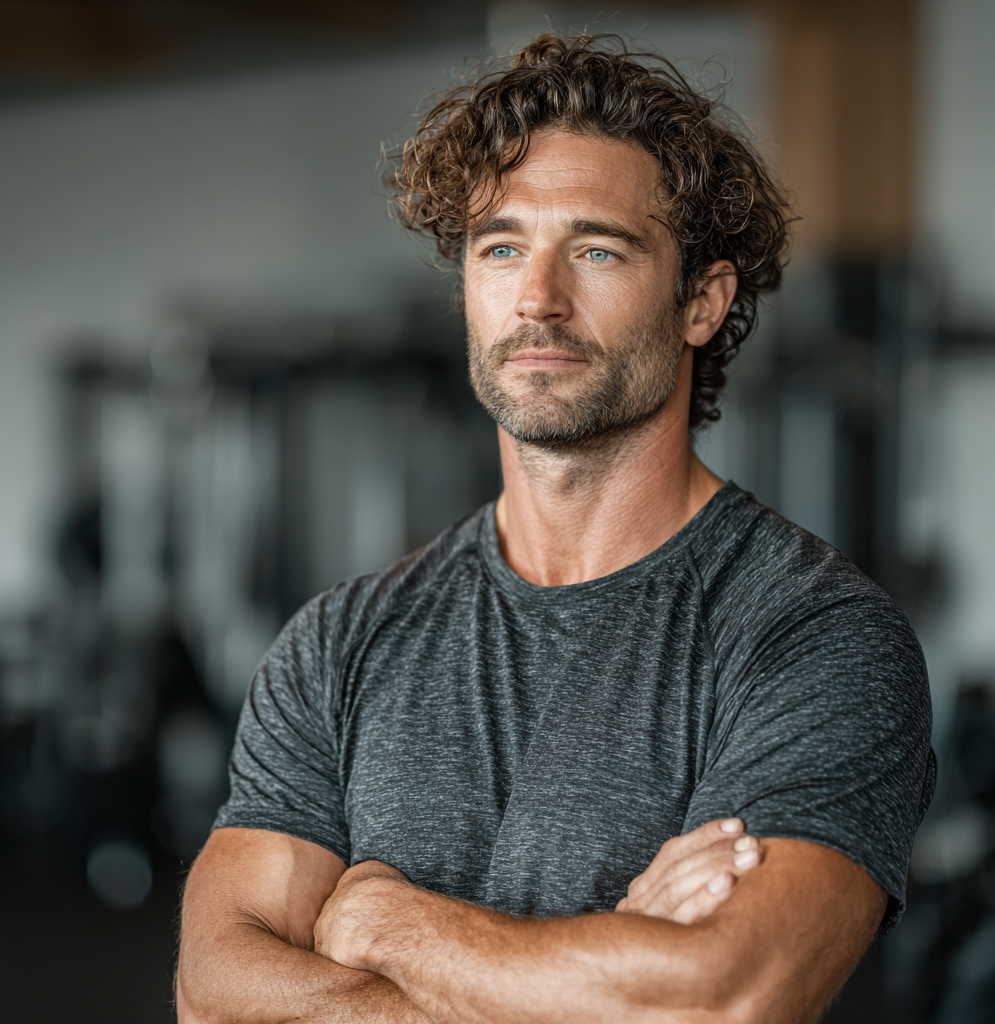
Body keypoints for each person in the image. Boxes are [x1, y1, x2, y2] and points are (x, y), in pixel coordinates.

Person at [177, 35, 935, 1023]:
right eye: (500, 247)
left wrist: (377, 922)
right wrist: (598, 970)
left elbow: (720, 996)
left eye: (594, 248)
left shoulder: (813, 638)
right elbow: (215, 993)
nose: (537, 297)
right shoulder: (339, 642)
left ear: (701, 299)